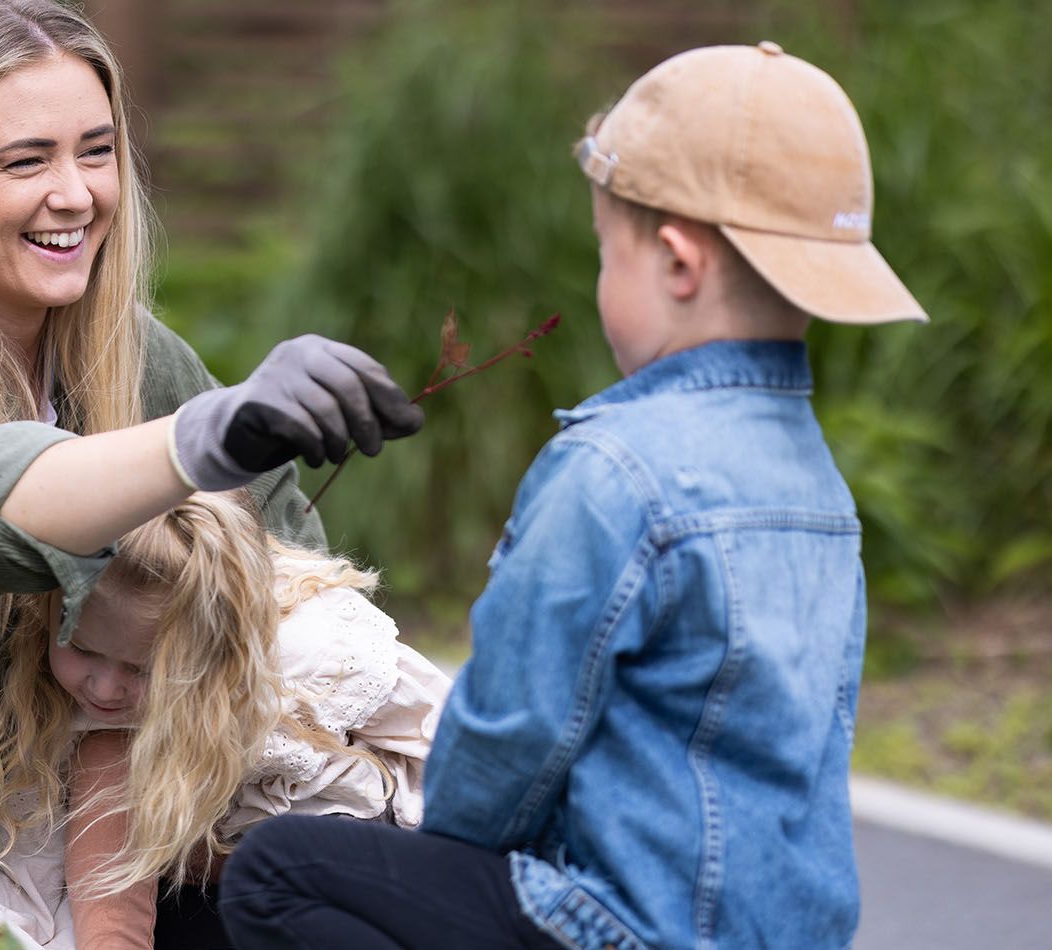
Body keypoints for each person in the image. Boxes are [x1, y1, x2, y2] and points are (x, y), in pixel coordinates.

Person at [216, 43, 927, 949]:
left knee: (281, 871)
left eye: (607, 252)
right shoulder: (818, 486)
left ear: (676, 262)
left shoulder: (614, 469)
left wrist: (439, 865)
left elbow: (514, 730)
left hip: (620, 923)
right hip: (783, 929)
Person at [0, 1, 425, 945]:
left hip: (157, 847)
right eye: (27, 161)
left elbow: (290, 598)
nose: (75, 194)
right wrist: (199, 441)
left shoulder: (143, 363)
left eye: (96, 152)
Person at [0, 491, 449, 949]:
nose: (104, 688)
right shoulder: (84, 726)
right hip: (209, 891)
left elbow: (448, 740)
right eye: (79, 646)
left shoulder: (309, 651)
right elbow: (74, 880)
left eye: (143, 668)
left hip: (370, 867)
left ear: (220, 649)